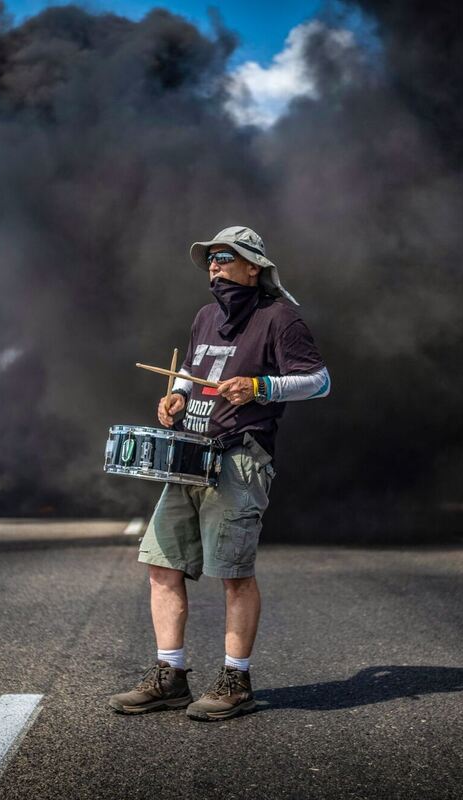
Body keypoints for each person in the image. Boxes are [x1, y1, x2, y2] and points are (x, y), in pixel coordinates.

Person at [108, 226, 331, 721]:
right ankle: (170, 676)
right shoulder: (206, 317)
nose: (213, 265)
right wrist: (175, 398)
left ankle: (236, 681)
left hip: (240, 457)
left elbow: (319, 381)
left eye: (224, 257)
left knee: (233, 574)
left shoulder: (280, 317)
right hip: (189, 456)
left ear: (254, 267)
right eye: (210, 258)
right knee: (162, 565)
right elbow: (193, 372)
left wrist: (260, 387)